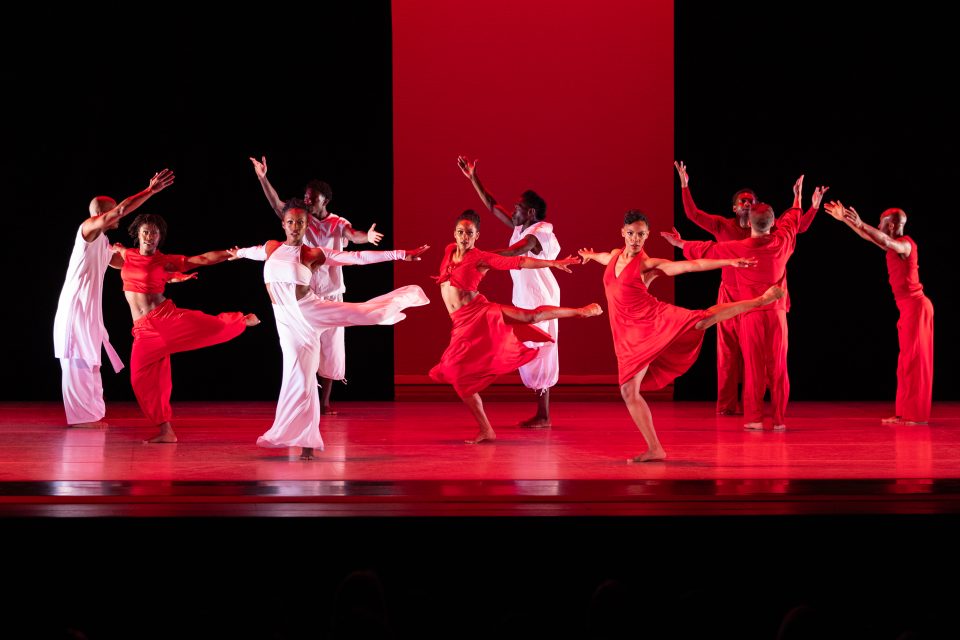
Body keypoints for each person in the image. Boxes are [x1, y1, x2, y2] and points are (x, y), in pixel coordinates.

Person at [579, 209, 783, 462]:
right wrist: (589, 255)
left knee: (702, 320)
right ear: (623, 233)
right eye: (631, 233)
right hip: (626, 335)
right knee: (629, 392)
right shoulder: (612, 256)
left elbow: (690, 265)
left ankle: (759, 301)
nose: (635, 239)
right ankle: (655, 449)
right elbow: (602, 257)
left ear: (647, 236)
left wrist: (727, 262)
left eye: (641, 235)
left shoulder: (646, 264)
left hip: (652, 320)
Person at [232, 200, 429, 460]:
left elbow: (357, 258)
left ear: (306, 225)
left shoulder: (314, 254)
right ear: (283, 224)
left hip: (311, 309)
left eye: (300, 223)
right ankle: (306, 442)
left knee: (369, 313)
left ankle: (404, 298)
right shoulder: (271, 248)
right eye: (290, 222)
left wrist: (401, 254)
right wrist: (237, 253)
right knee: (299, 380)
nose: (295, 227)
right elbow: (251, 251)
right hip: (287, 323)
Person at [663, 177, 828, 432]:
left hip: (751, 310)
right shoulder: (781, 241)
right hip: (771, 311)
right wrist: (799, 199)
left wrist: (681, 244)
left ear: (751, 219)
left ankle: (754, 416)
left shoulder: (737, 248)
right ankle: (778, 418)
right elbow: (793, 222)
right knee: (775, 365)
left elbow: (707, 250)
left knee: (754, 366)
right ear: (772, 222)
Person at [429, 210, 602, 444]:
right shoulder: (449, 250)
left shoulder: (480, 257)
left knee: (528, 317)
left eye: (469, 233)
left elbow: (518, 261)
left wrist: (552, 263)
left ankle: (580, 311)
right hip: (461, 324)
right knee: (458, 378)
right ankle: (486, 430)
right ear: (454, 233)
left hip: (479, 313)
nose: (464, 237)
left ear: (477, 235)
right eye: (461, 232)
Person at [250, 156, 384, 415]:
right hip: (305, 295)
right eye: (306, 197)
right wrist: (263, 177)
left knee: (332, 348)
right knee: (304, 345)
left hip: (332, 294)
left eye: (312, 198)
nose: (307, 201)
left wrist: (366, 237)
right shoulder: (302, 219)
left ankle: (325, 403)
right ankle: (305, 397)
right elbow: (278, 205)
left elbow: (352, 235)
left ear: (326, 200)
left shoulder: (337, 222)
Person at [114, 213, 260, 443]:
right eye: (145, 232)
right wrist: (106, 249)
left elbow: (201, 259)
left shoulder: (164, 260)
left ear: (159, 237)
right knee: (142, 378)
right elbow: (113, 258)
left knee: (207, 326)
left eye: (154, 233)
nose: (149, 236)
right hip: (142, 330)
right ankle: (166, 431)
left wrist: (234, 253)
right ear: (137, 234)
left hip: (163, 319)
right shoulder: (128, 254)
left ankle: (241, 320)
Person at [53, 169, 175, 428]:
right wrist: (149, 191)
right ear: (101, 214)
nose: (119, 213)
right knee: (78, 359)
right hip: (76, 306)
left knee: (91, 359)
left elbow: (128, 264)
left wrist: (166, 273)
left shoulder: (104, 243)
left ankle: (92, 414)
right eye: (113, 210)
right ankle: (82, 419)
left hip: (88, 308)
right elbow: (120, 211)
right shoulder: (88, 231)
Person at [458, 155, 560, 428]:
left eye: (518, 207)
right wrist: (473, 178)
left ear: (530, 212)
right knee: (529, 346)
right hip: (525, 294)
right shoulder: (521, 227)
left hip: (541, 296)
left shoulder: (539, 233)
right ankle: (542, 413)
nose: (513, 210)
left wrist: (478, 257)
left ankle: (544, 415)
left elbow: (517, 252)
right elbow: (492, 206)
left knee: (541, 347)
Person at [823, 201, 933, 424]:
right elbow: (873, 238)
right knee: (904, 363)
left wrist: (861, 222)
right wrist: (845, 220)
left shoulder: (906, 245)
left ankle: (916, 416)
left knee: (915, 362)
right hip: (908, 309)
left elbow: (883, 239)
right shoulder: (892, 244)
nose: (877, 226)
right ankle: (904, 412)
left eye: (880, 223)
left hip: (917, 308)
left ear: (891, 226)